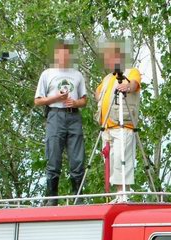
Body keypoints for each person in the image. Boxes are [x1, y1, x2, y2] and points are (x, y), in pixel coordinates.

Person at [34, 39, 87, 206]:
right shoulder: (48, 74)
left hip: (73, 115)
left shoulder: (77, 75)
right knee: (54, 155)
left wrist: (75, 103)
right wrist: (57, 98)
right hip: (55, 115)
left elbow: (84, 99)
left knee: (77, 157)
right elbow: (38, 100)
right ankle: (52, 197)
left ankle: (77, 195)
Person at [95, 39, 141, 200]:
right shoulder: (108, 78)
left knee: (122, 157)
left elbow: (135, 84)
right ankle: (118, 192)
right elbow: (98, 92)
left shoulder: (130, 71)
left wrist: (127, 87)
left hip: (124, 125)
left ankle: (124, 192)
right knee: (112, 160)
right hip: (107, 127)